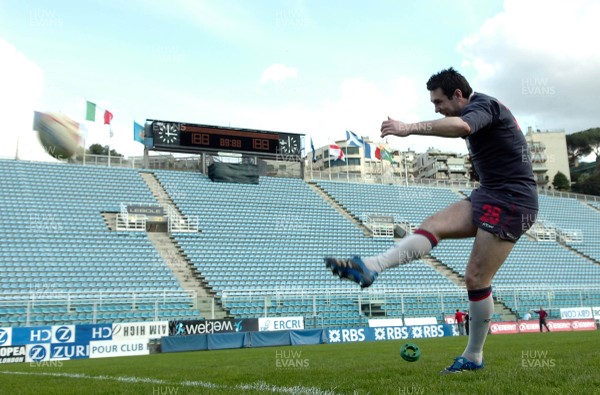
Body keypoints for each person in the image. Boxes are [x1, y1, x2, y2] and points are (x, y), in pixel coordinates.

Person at [324, 67, 538, 374]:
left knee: (476, 278)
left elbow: (462, 126)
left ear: (459, 95)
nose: (436, 108)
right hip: (490, 193)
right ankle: (370, 266)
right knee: (433, 225)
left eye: (438, 102)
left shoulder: (482, 106)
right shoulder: (483, 109)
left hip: (512, 200)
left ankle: (473, 356)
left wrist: (408, 127)